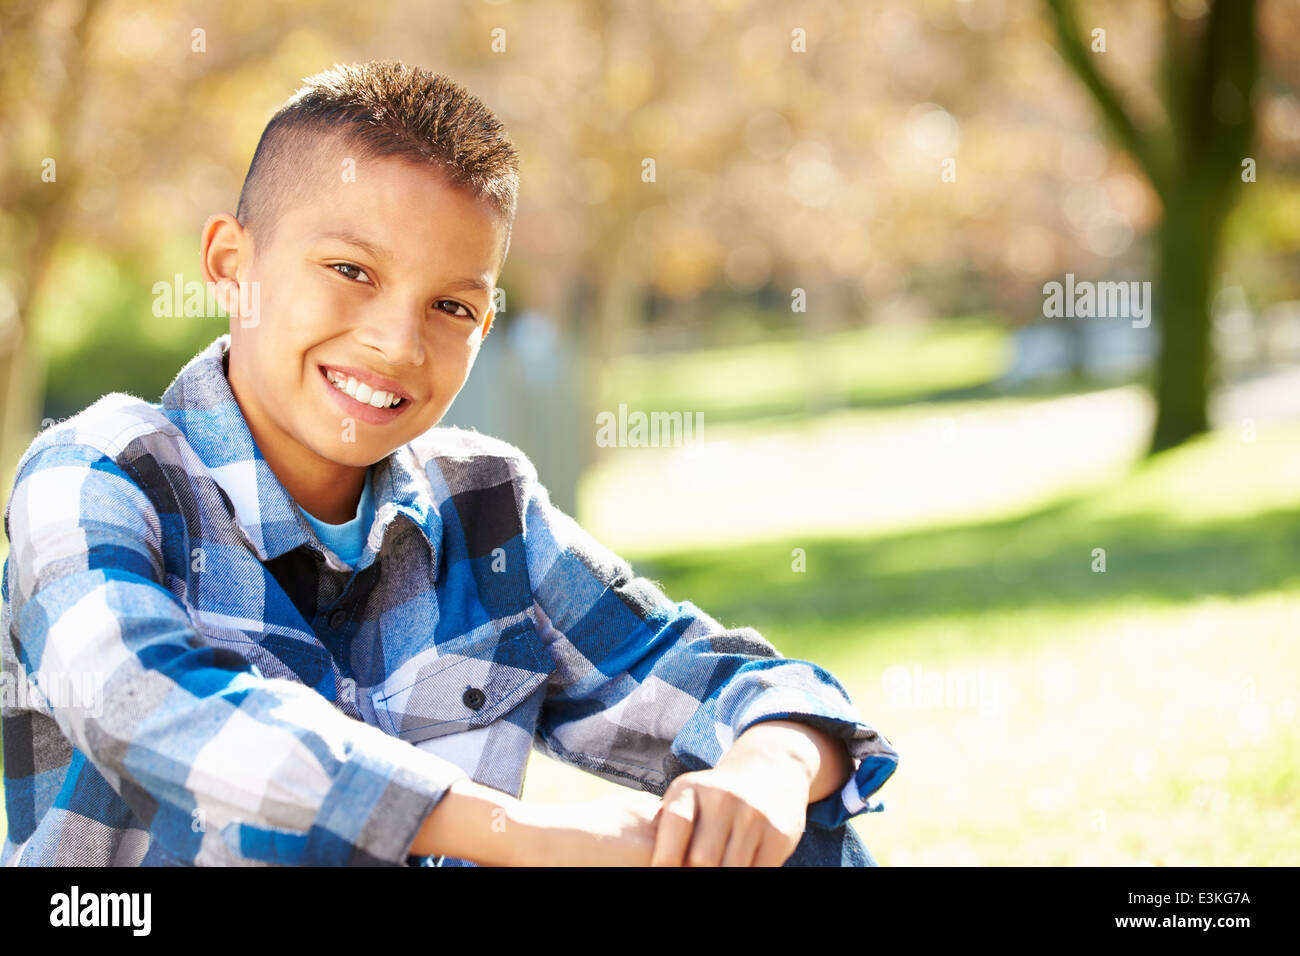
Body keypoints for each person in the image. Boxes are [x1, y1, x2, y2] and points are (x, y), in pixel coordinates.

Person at [0, 61, 898, 867]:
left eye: (450, 307)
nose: (397, 342)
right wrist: (519, 836)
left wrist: (773, 764)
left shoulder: (484, 503)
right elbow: (135, 698)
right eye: (351, 270)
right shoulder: (97, 471)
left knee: (780, 833)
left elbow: (713, 679)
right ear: (232, 264)